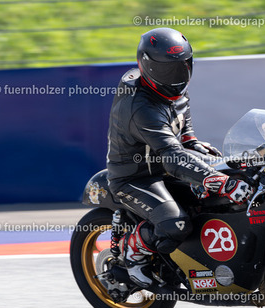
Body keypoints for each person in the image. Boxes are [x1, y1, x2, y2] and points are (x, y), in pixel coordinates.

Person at [106, 27, 253, 288]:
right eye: (166, 70)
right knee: (177, 224)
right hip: (136, 177)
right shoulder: (140, 108)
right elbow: (173, 158)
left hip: (165, 165)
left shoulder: (171, 89)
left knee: (229, 178)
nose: (175, 77)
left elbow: (181, 117)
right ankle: (134, 253)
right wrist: (220, 181)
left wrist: (192, 142)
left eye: (181, 67)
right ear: (146, 66)